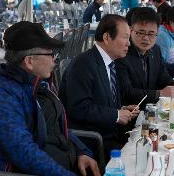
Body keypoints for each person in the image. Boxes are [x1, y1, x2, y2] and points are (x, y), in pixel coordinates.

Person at [0, 21, 100, 176]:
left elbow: (59, 126)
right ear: (29, 61)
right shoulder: (4, 95)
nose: (55, 61)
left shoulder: (38, 84)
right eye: (51, 55)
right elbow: (24, 153)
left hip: (56, 172)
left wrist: (81, 151)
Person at [59, 15, 140, 160]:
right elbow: (78, 108)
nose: (129, 43)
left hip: (109, 133)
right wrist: (115, 115)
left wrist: (122, 109)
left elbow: (100, 100)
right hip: (91, 141)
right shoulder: (83, 64)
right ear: (107, 37)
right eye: (126, 38)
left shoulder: (109, 62)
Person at [117, 7, 174, 109]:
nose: (146, 38)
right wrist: (159, 93)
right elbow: (127, 92)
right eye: (141, 33)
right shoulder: (122, 53)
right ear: (131, 30)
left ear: (157, 34)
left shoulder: (155, 50)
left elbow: (163, 77)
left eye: (151, 34)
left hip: (151, 110)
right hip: (129, 114)